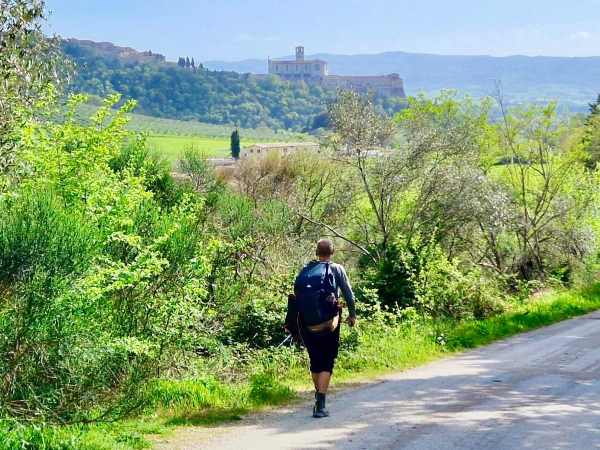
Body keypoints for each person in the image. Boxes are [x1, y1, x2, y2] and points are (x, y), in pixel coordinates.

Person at [290, 239, 356, 418]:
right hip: (329, 324)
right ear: (332, 252)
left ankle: (318, 397)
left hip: (307, 324)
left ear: (316, 252)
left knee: (315, 361)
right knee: (327, 362)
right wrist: (352, 315)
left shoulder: (306, 270)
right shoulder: (336, 269)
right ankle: (320, 404)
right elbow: (349, 294)